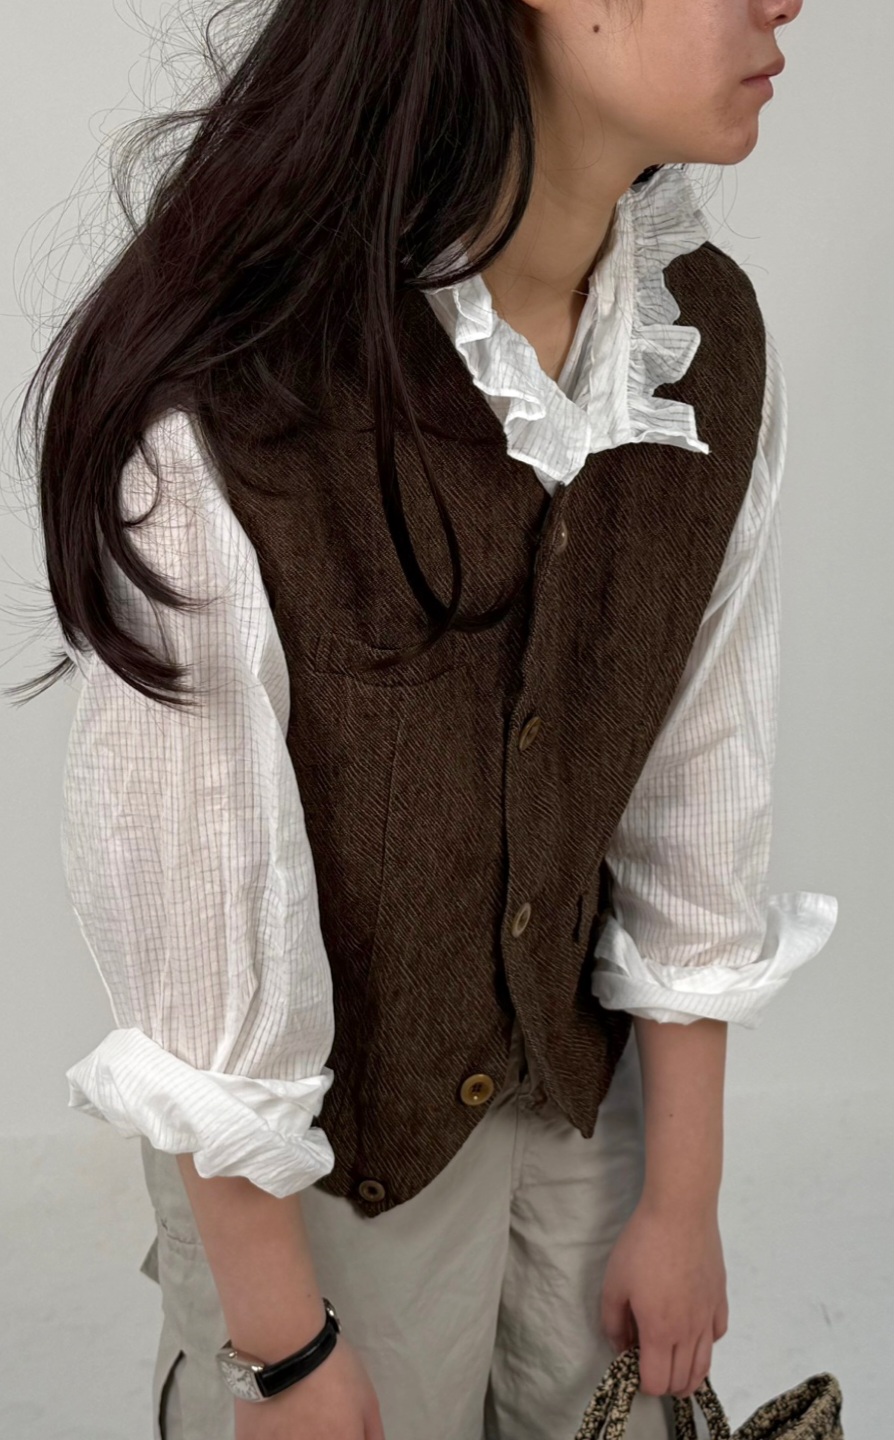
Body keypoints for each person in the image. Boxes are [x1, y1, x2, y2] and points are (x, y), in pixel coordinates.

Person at [16, 0, 839, 1436]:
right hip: (322, 1166)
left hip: (583, 1097)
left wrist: (683, 1201)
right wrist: (280, 1351)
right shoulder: (237, 394)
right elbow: (199, 923)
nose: (785, 0)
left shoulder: (696, 341)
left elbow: (697, 785)